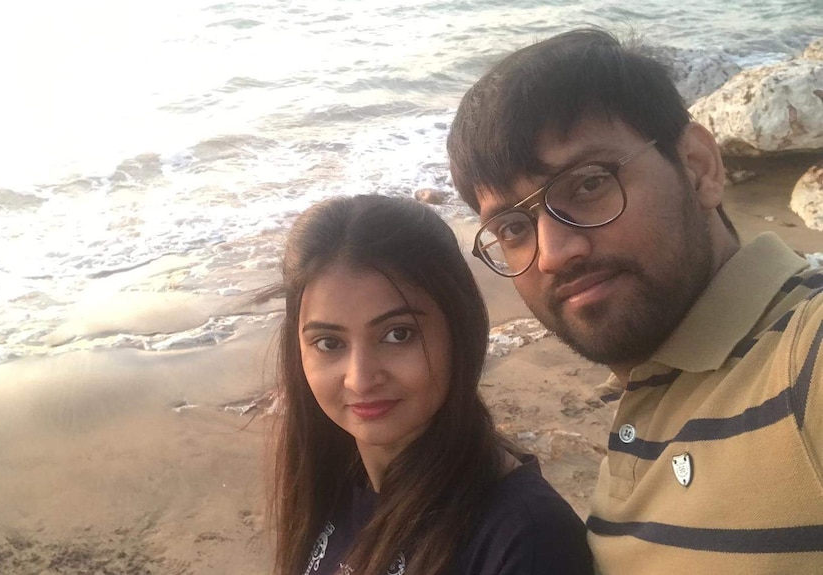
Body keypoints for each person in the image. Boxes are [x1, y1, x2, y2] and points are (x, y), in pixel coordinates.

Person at [447, 28, 823, 575]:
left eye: (589, 183)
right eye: (511, 227)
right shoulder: (653, 381)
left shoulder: (804, 363)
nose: (553, 253)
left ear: (698, 166)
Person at [259, 195, 593, 575]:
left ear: (459, 329)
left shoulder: (527, 538)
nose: (361, 378)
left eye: (398, 334)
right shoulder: (334, 475)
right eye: (329, 343)